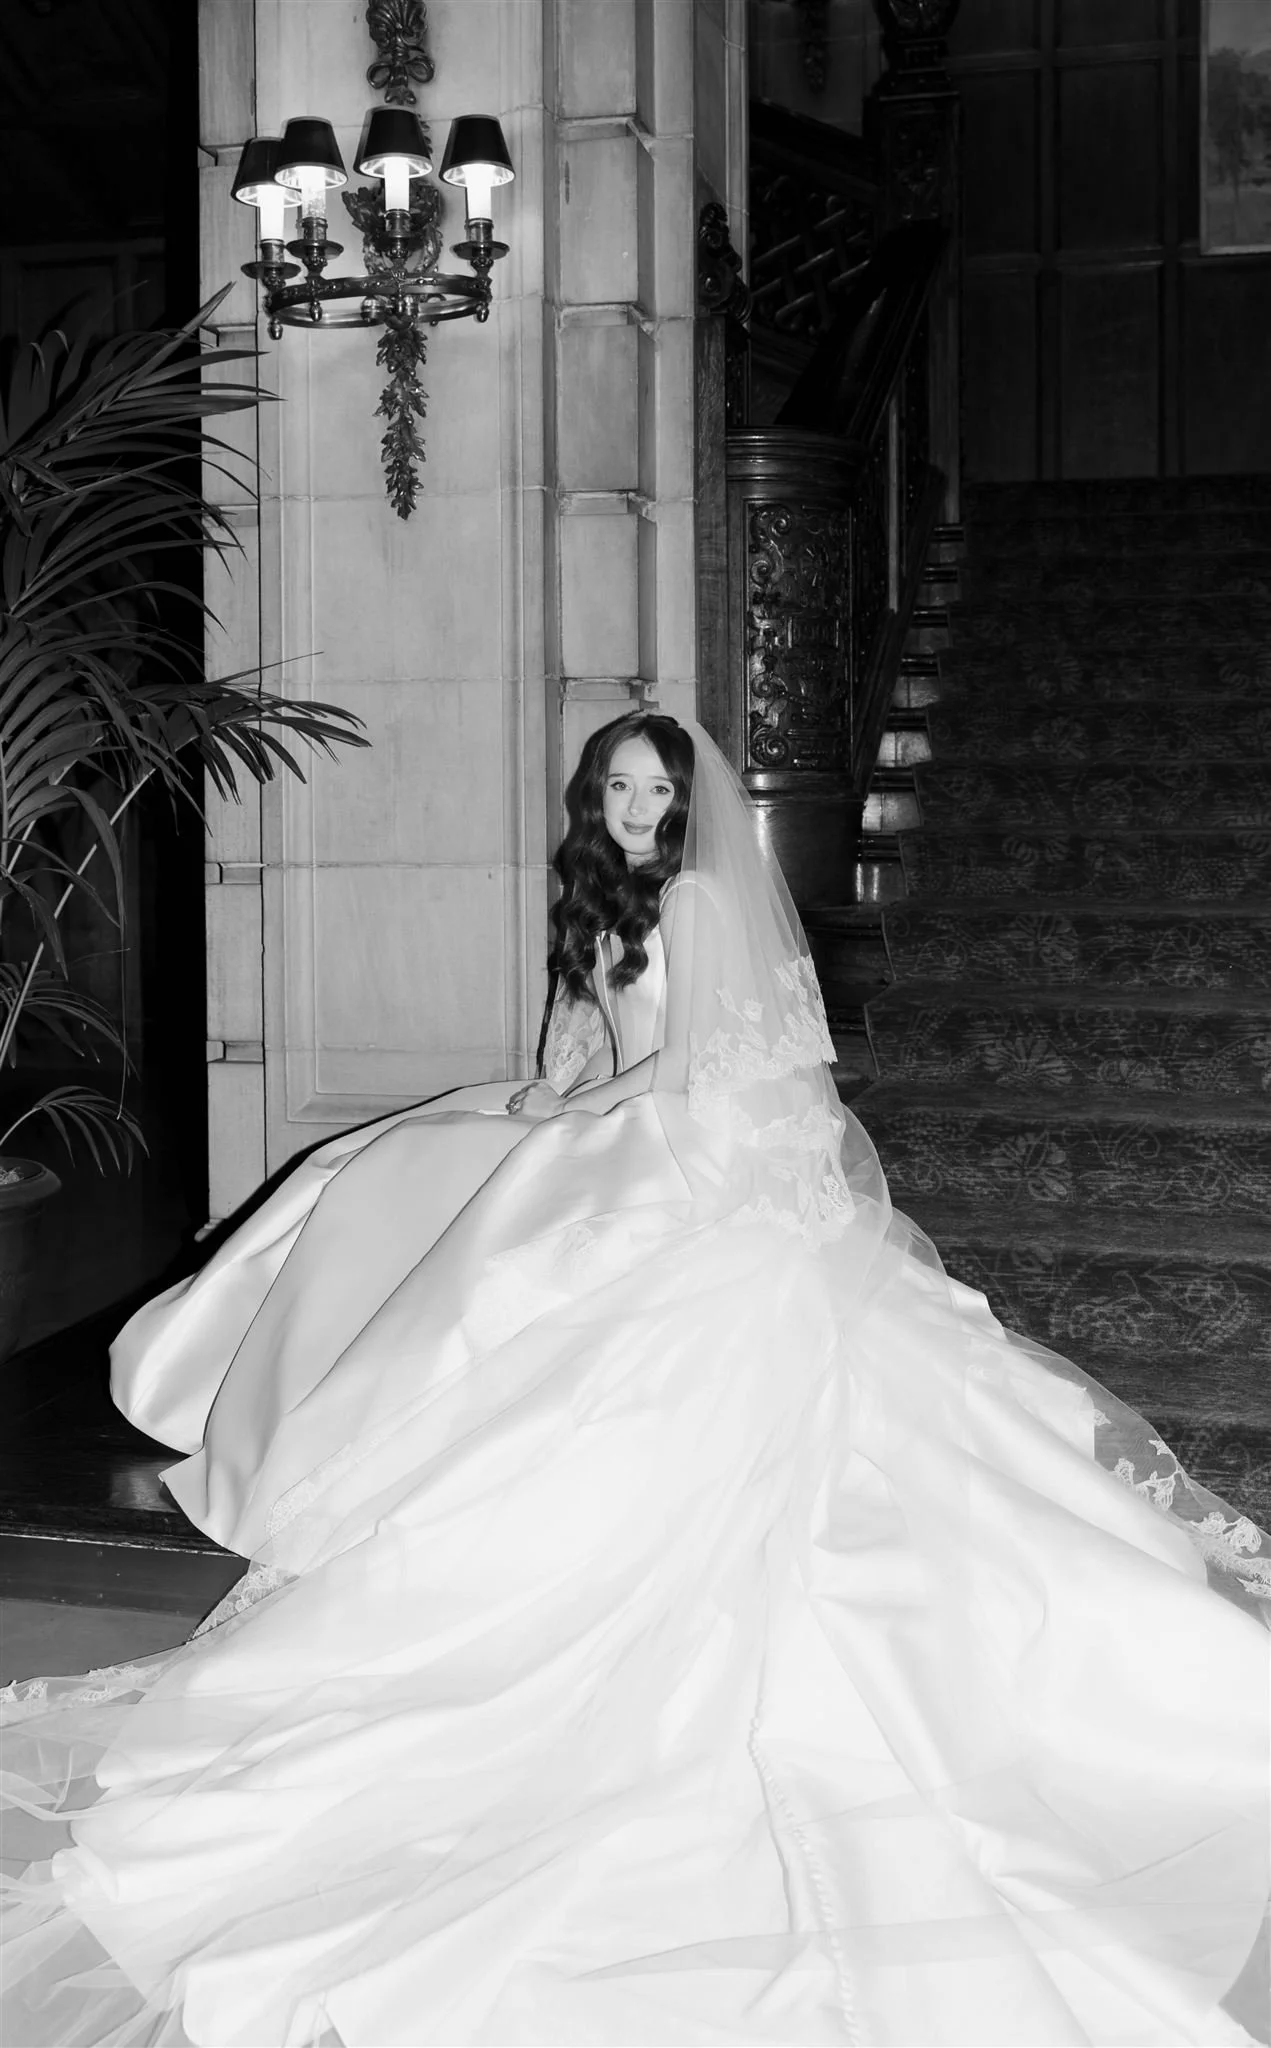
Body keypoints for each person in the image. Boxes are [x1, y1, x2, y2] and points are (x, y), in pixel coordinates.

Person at [2, 712, 1268, 2048]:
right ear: (589, 794)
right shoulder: (597, 896)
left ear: (683, 805)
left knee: (526, 1242)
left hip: (696, 1158)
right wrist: (558, 1092)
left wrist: (605, 1108)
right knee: (402, 1164)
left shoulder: (706, 898)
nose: (633, 804)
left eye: (655, 788)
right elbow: (588, 1034)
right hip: (620, 1124)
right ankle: (273, 1406)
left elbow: (746, 1061)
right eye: (615, 783)